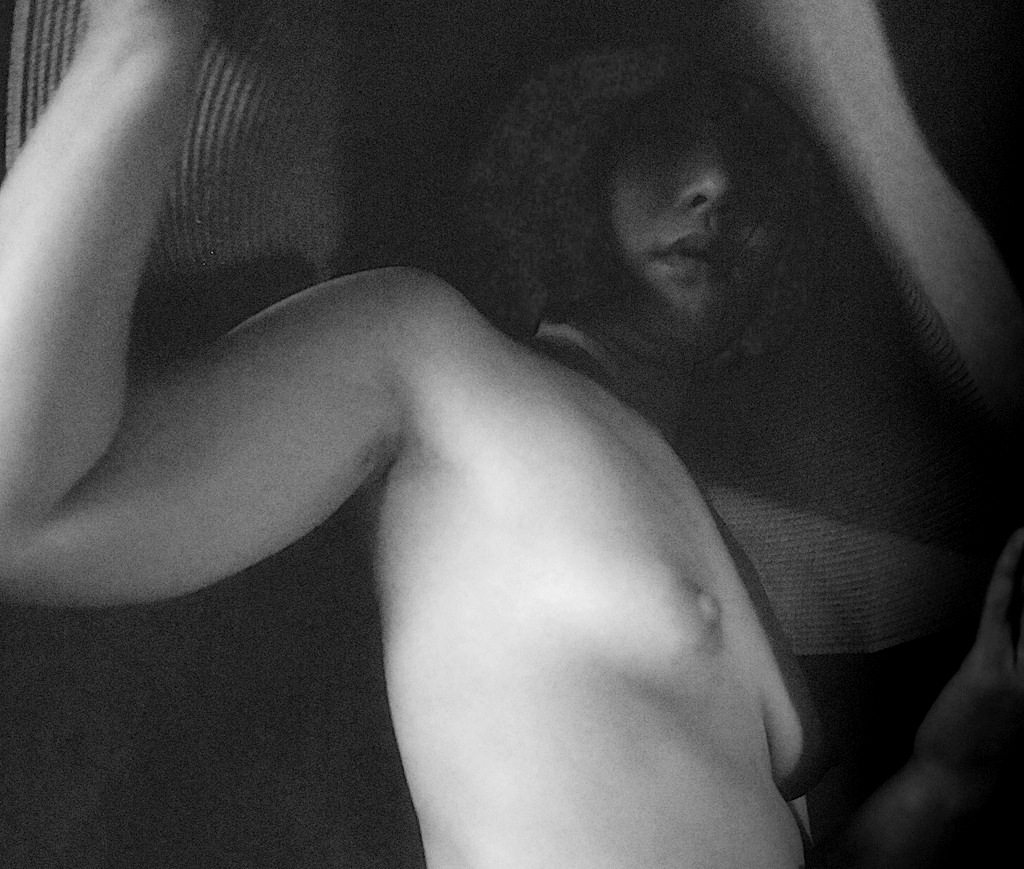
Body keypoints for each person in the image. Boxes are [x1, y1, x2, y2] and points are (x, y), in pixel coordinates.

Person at [0, 2, 1021, 867]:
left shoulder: (730, 535)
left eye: (764, 166)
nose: (717, 182)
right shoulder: (431, 355)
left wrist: (942, 776)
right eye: (679, 128)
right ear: (583, 162)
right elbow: (29, 514)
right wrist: (145, 44)